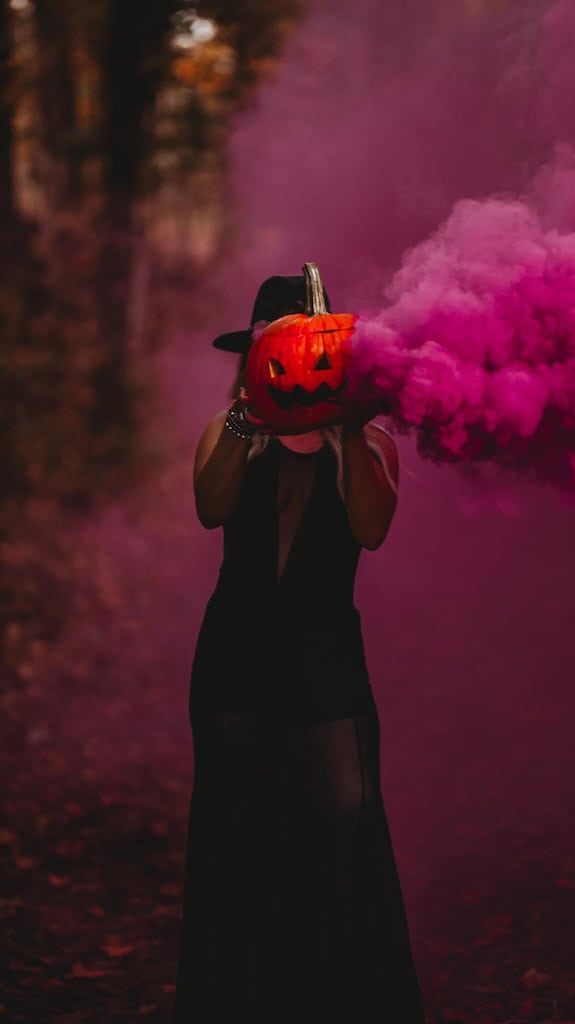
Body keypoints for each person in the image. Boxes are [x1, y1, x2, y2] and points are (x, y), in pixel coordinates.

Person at [173, 273, 426, 1024]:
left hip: (325, 660)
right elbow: (210, 507)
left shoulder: (368, 441)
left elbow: (371, 530)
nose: (291, 366)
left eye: (309, 355)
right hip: (235, 655)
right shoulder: (227, 433)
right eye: (273, 353)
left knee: (343, 815)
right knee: (238, 825)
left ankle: (333, 1002)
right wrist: (251, 424)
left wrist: (347, 427)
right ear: (254, 359)